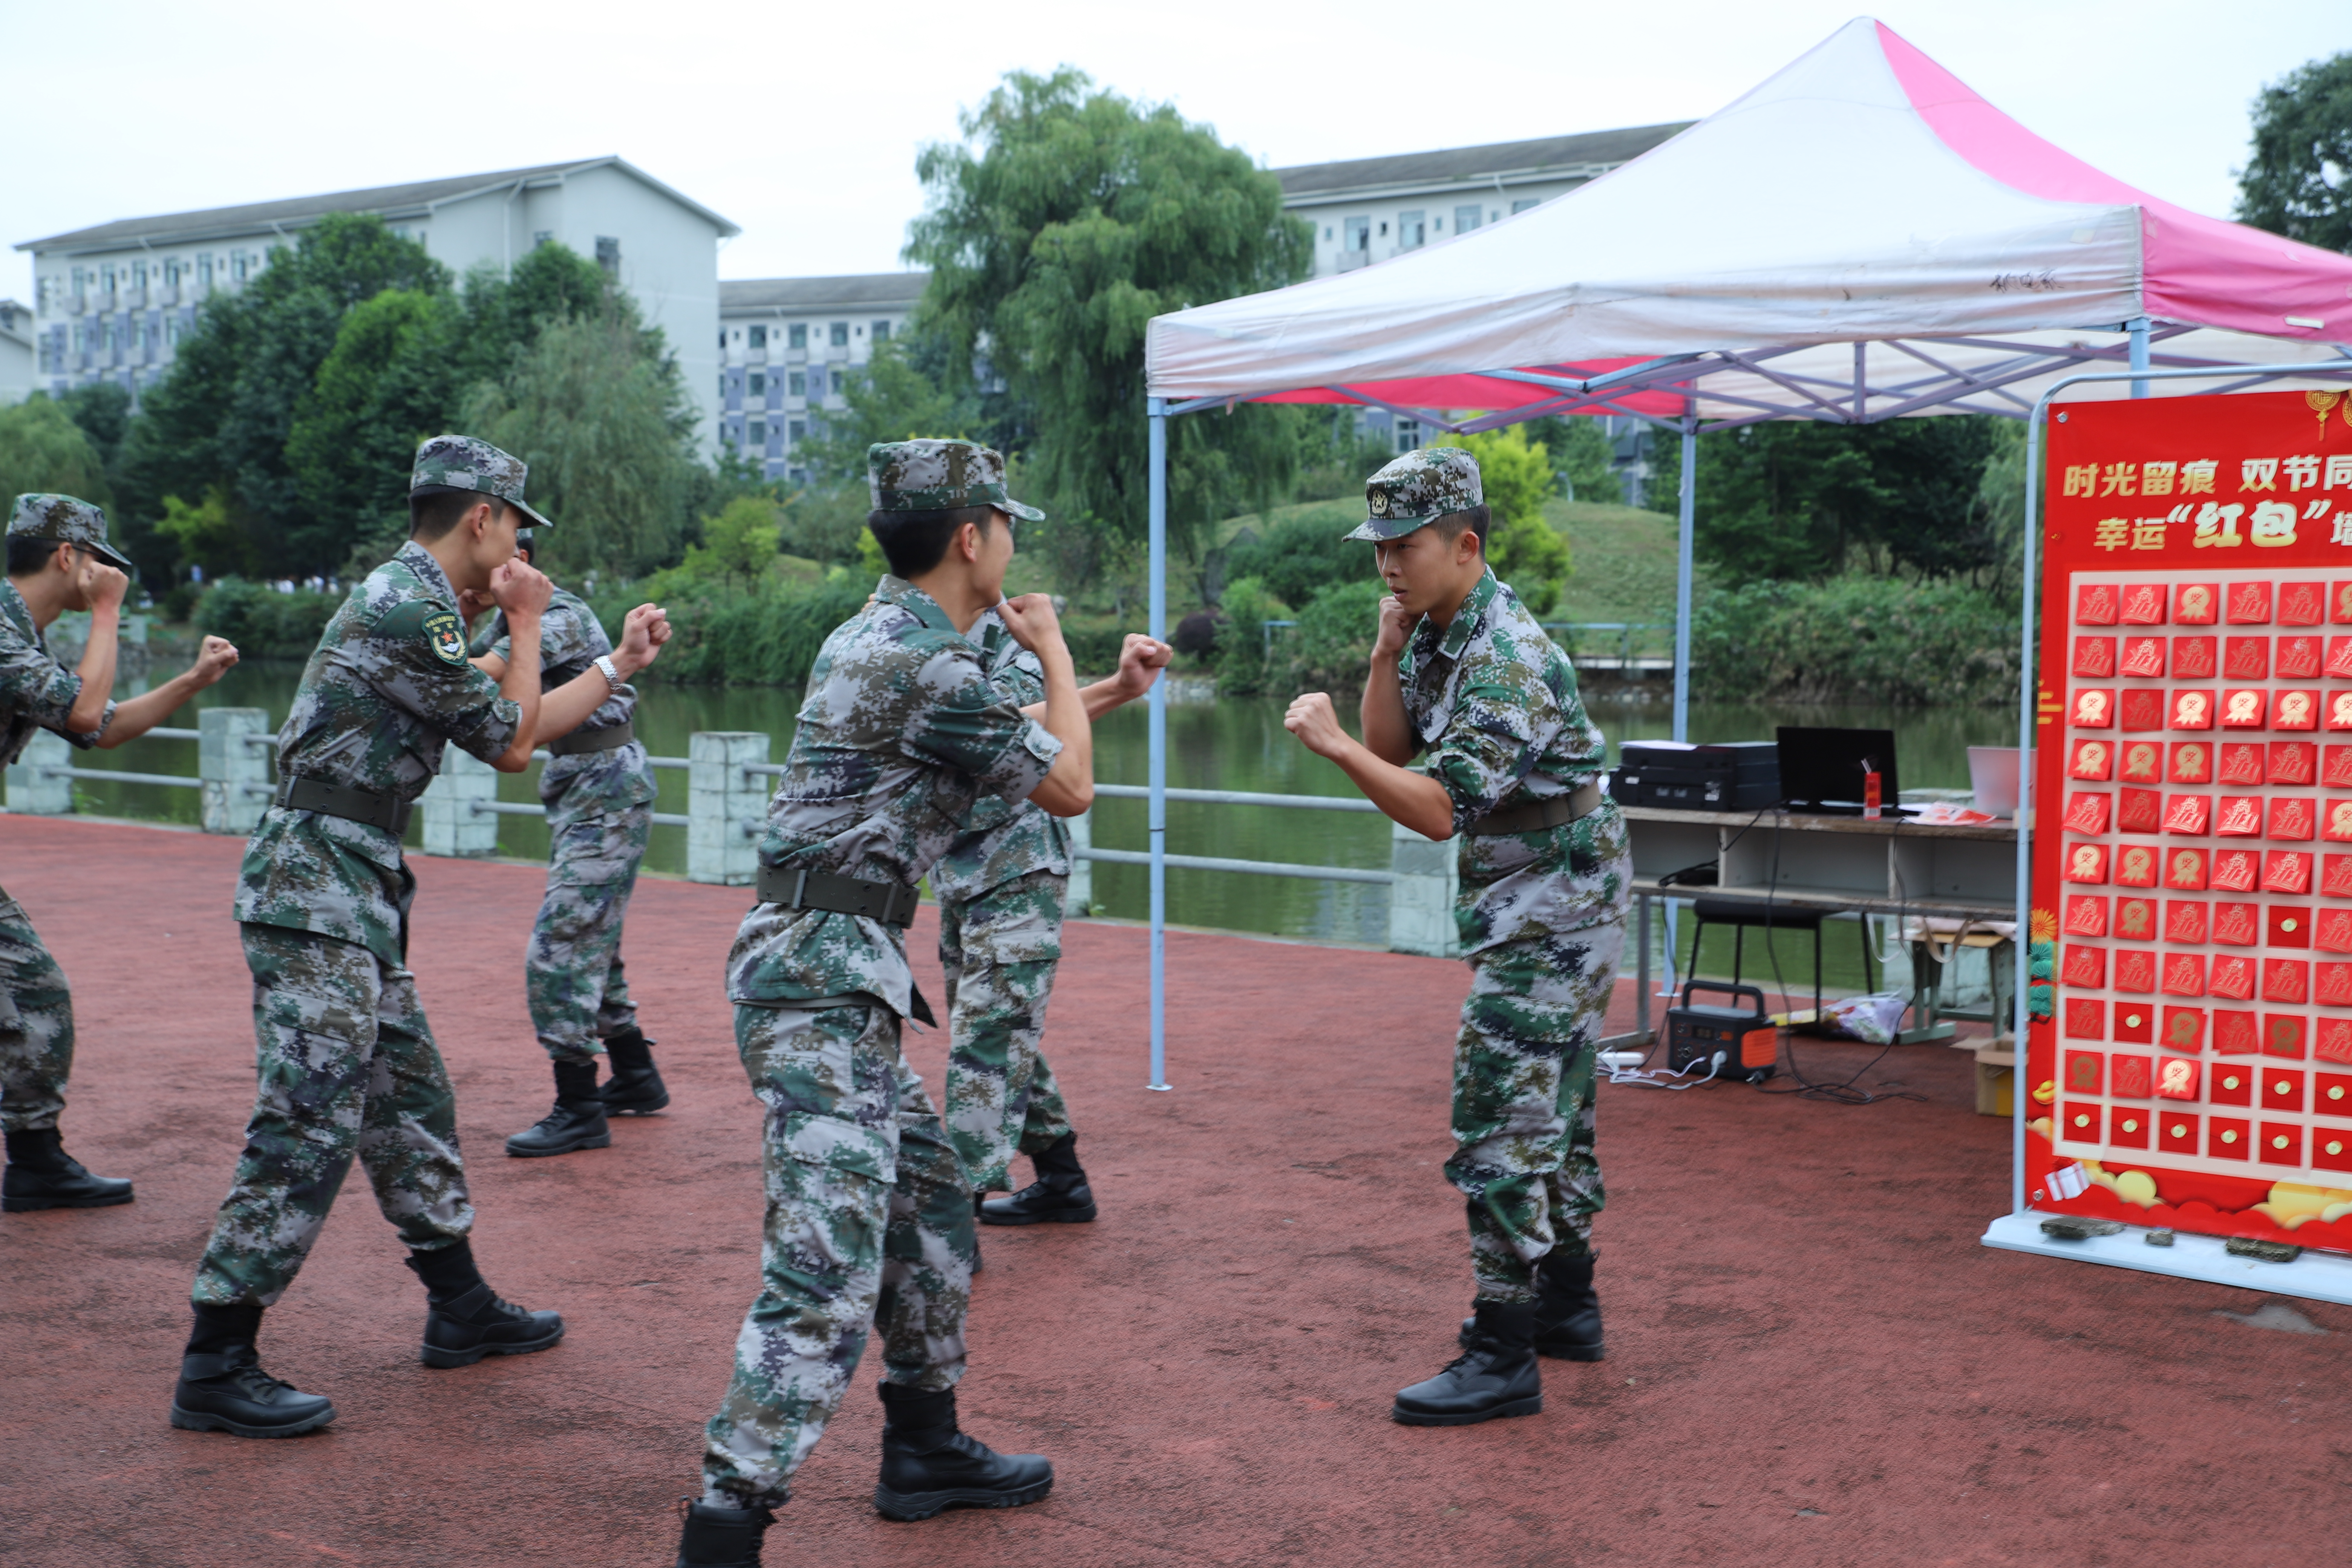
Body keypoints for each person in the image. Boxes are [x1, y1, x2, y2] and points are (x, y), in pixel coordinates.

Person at [172, 436, 670, 1441]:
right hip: (314, 874)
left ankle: (460, 1304)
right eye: (521, 530)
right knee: (309, 1114)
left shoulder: (427, 608)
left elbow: (517, 723)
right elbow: (519, 744)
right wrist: (528, 624)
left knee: (409, 1096)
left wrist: (614, 663)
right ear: (482, 518)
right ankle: (216, 1359)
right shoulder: (409, 603)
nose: (526, 551)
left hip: (350, 876)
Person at [677, 439, 1091, 1565]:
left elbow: (986, 762)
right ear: (973, 538)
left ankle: (925, 1447)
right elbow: (1071, 783)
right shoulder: (934, 666)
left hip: (824, 968)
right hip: (820, 983)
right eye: (1007, 526)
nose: (1013, 544)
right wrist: (1052, 647)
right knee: (823, 1270)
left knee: (934, 1206)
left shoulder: (880, 638)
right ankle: (724, 1526)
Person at [1281, 447, 1629, 1427]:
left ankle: (1503, 1348)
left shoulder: (1505, 656)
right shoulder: (1437, 630)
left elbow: (1433, 808)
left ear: (1465, 546)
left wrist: (1334, 747)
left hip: (1561, 894)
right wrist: (1386, 653)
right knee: (1553, 1096)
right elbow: (1398, 744)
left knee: (1499, 1100)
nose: (1388, 563)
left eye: (1407, 545)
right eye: (1379, 546)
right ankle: (1567, 1304)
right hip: (1527, 886)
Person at [0, 494, 240, 1211]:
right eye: (102, 562)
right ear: (68, 558)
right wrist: (106, 615)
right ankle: (37, 1161)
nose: (113, 577)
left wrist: (192, 681)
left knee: (32, 994)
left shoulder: (23, 637)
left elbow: (98, 727)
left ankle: (37, 1162)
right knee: (33, 992)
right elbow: (82, 710)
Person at [943, 614, 1168, 1229]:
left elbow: (1013, 734)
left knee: (987, 1036)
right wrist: (1119, 688)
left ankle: (951, 1223)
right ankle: (1062, 1180)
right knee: (994, 1026)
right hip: (961, 863)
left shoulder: (1004, 630)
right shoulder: (929, 627)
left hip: (1014, 860)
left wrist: (1116, 689)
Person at [461, 530, 667, 1158]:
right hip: (586, 784)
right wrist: (470, 614)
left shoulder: (558, 616)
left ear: (519, 563)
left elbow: (473, 684)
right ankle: (634, 1076)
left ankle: (579, 1106)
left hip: (606, 787)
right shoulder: (515, 618)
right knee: (591, 939)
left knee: (560, 948)